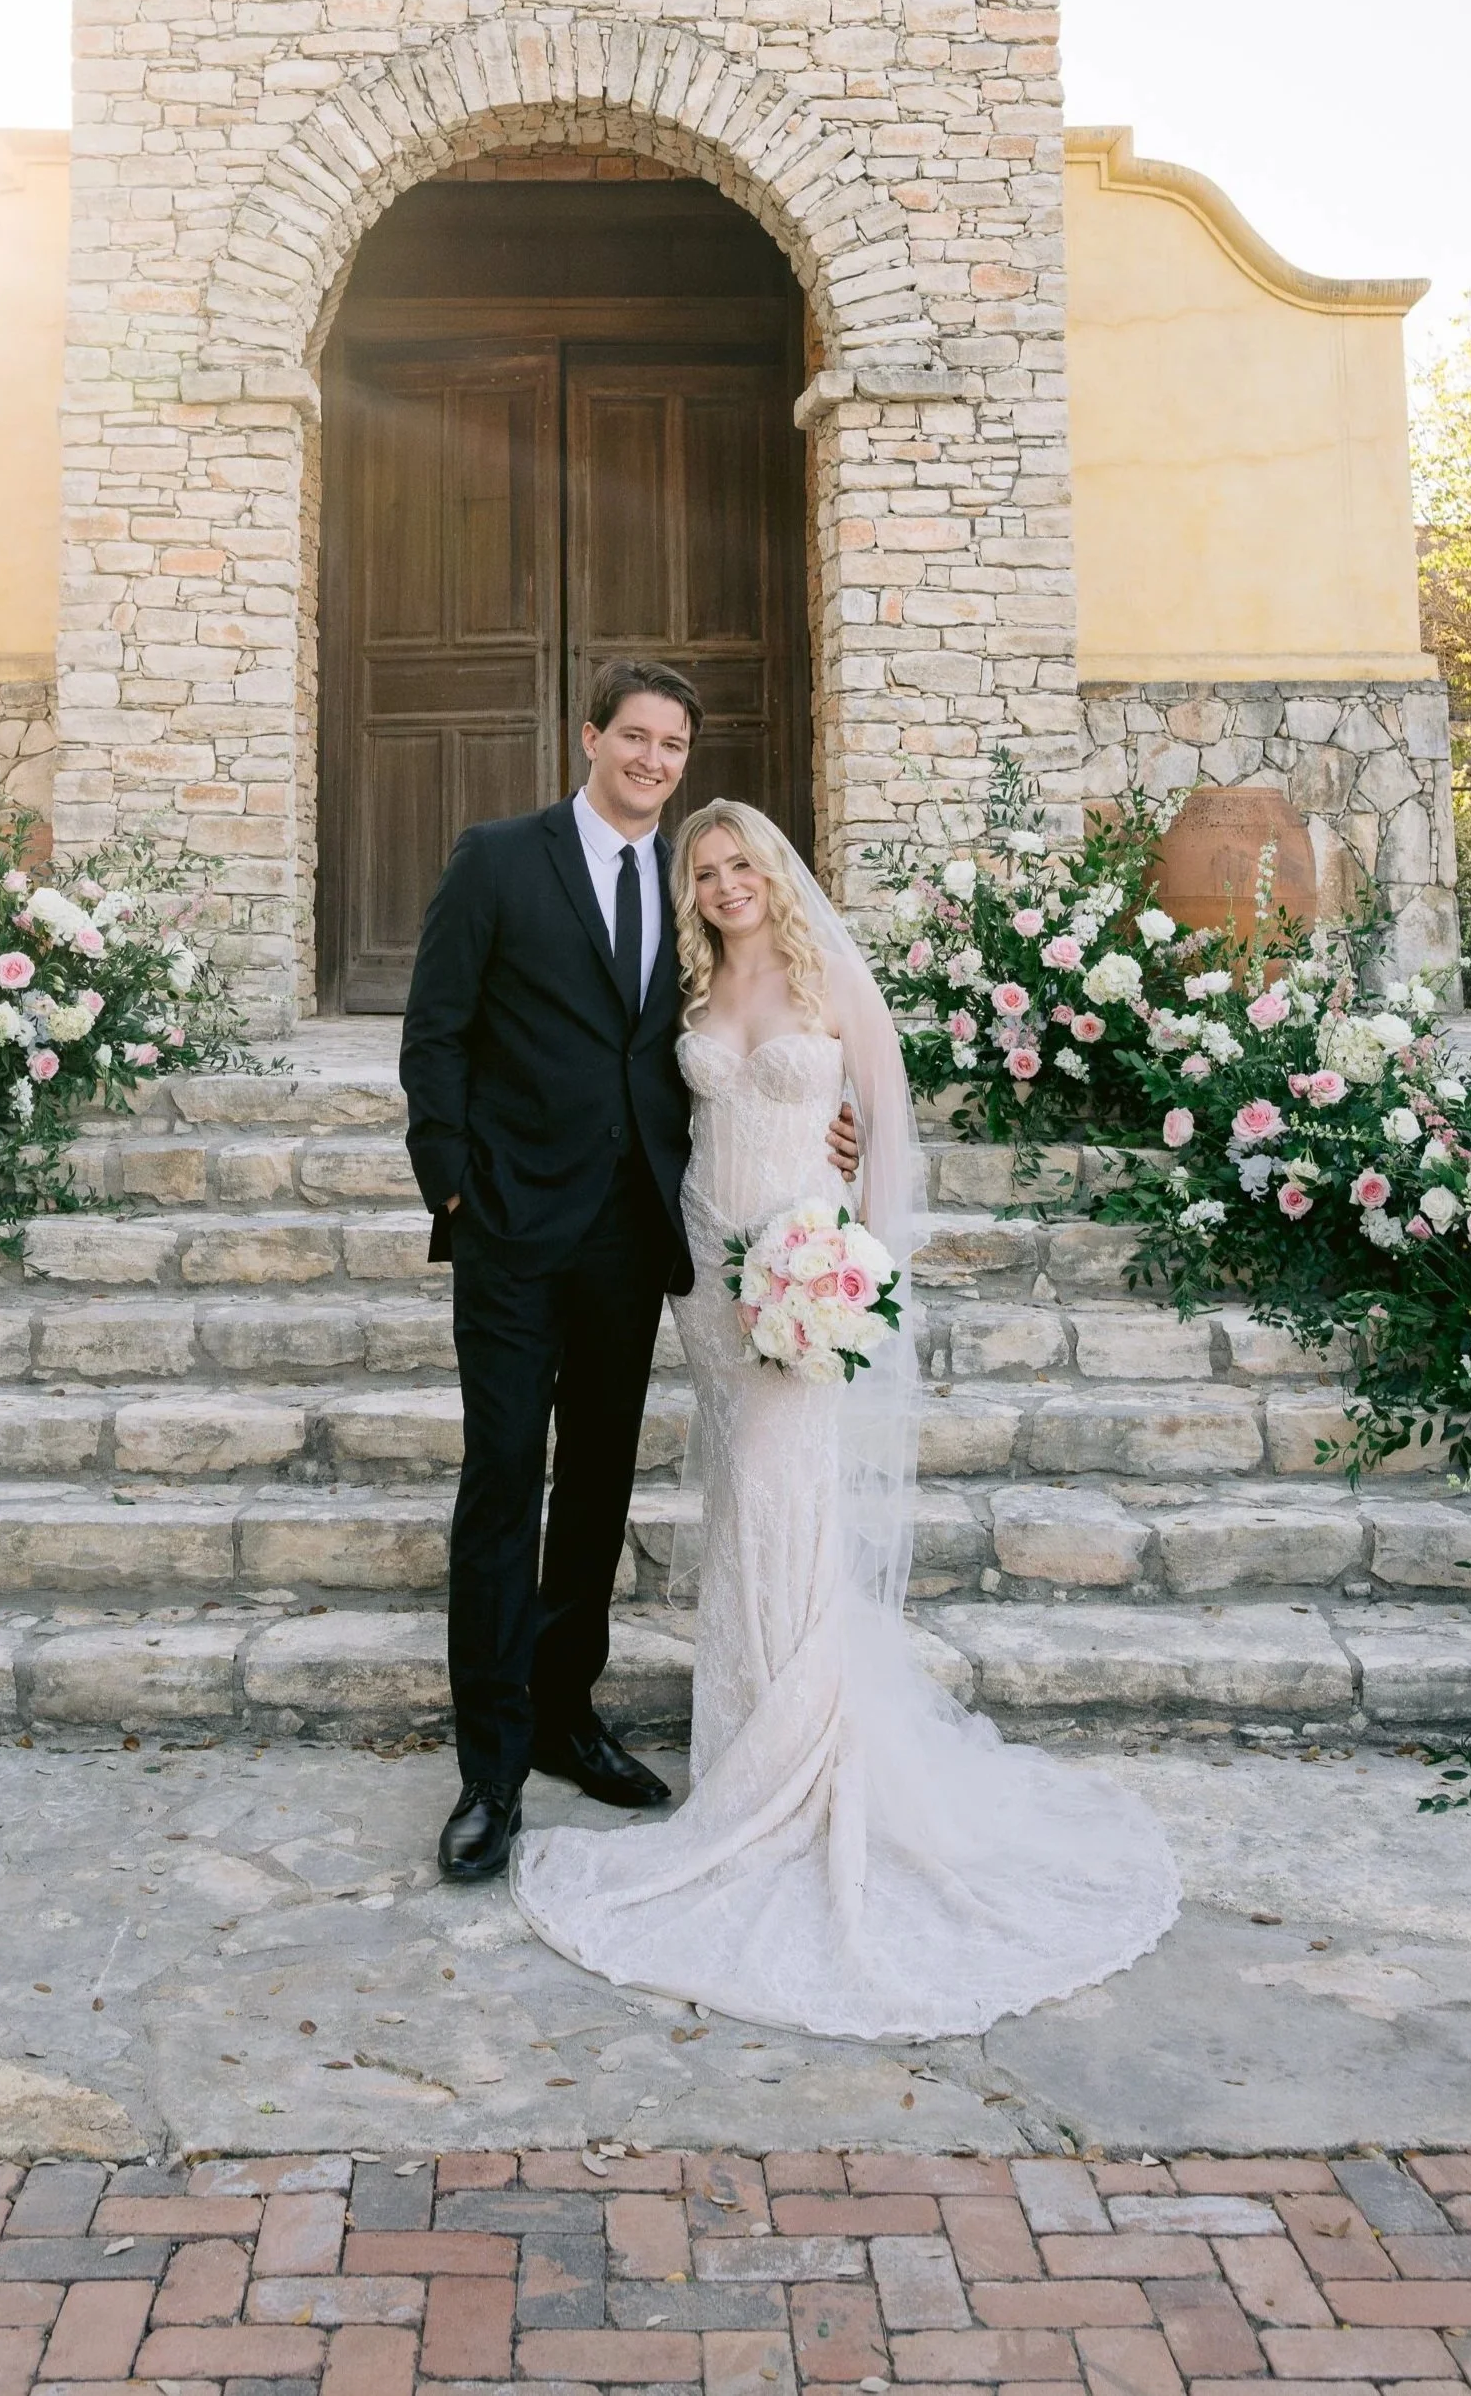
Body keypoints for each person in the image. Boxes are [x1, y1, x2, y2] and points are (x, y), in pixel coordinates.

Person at [510, 799, 1181, 2038]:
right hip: (710, 1273)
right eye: (700, 871)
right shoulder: (689, 989)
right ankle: (746, 1742)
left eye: (737, 863)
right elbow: (659, 1107)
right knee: (738, 1499)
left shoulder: (828, 977)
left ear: (772, 869)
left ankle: (796, 1765)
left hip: (803, 1264)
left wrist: (852, 1258)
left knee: (777, 1490)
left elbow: (883, 1126)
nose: (721, 883)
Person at [401, 665, 857, 1886]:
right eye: (634, 738)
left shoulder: (689, 884)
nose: (653, 759)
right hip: (508, 1228)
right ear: (590, 736)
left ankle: (564, 1709)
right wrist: (449, 1181)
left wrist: (829, 1121)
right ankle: (489, 1770)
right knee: (505, 1482)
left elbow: (739, 1031)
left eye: (672, 745)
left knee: (597, 1484)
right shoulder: (497, 857)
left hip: (633, 1240)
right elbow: (434, 1025)